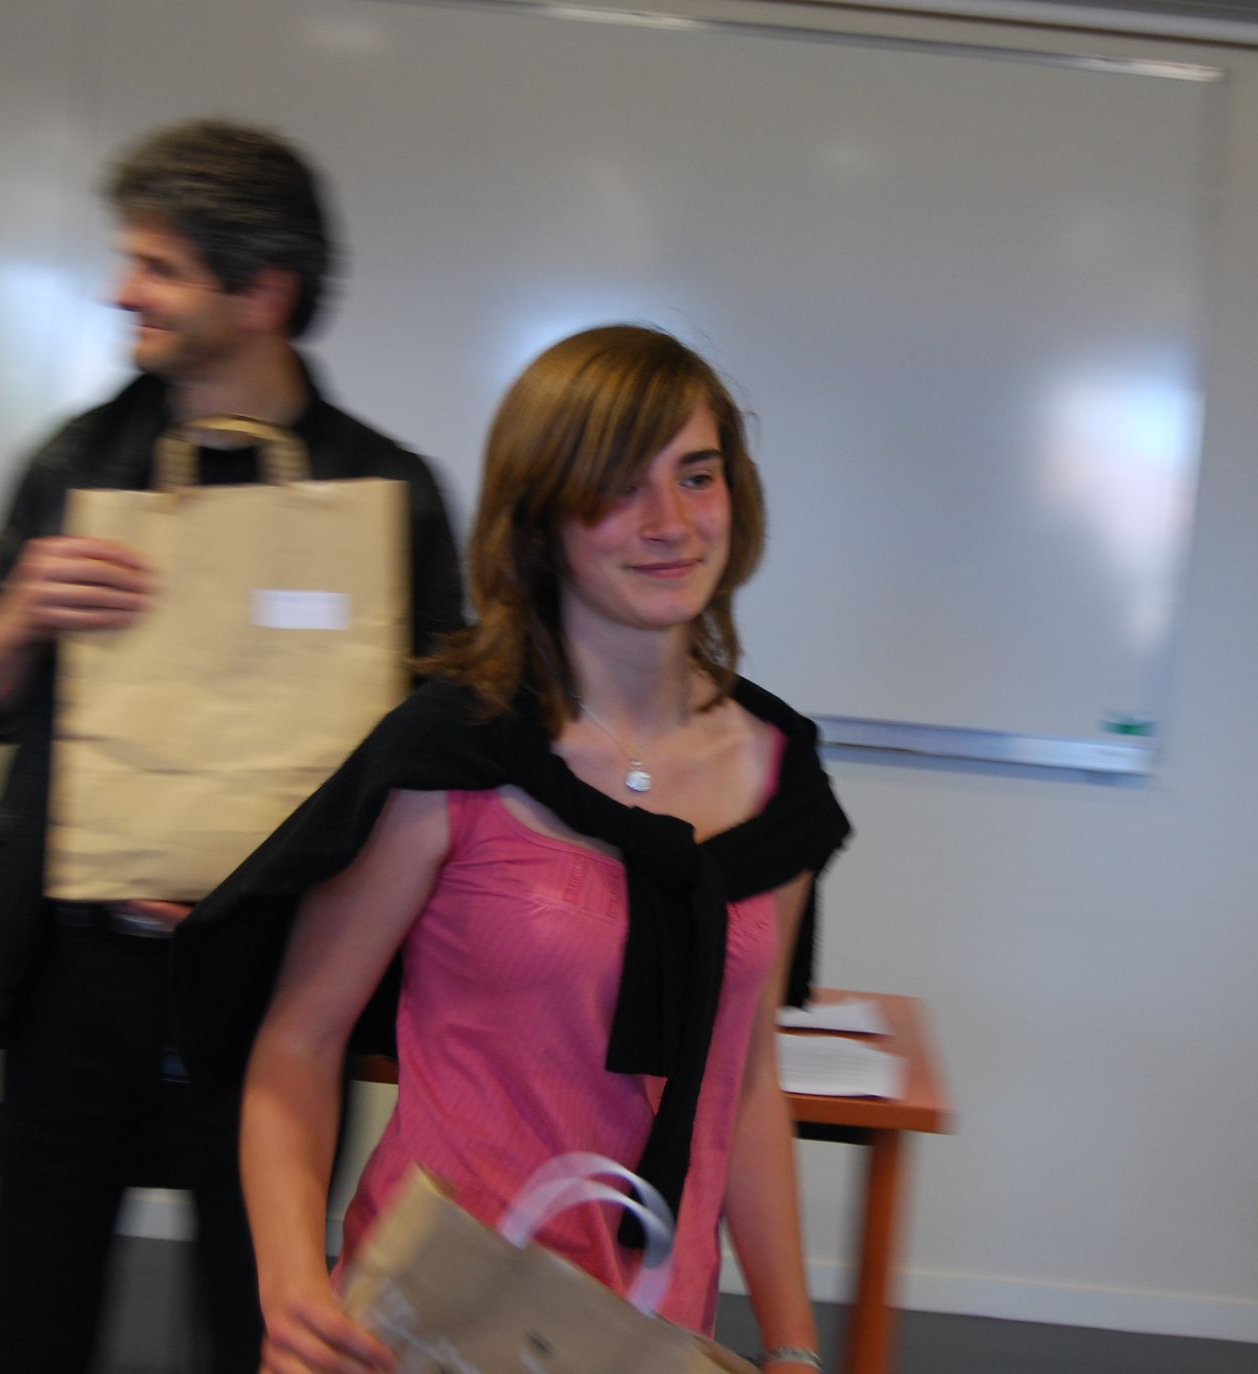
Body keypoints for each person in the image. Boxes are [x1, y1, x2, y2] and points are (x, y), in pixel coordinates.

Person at [171, 325, 851, 1374]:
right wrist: (291, 1283)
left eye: (696, 475)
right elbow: (296, 1043)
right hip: (434, 1321)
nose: (670, 523)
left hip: (651, 1333)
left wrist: (796, 1347)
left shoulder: (775, 779)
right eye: (616, 487)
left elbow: (747, 1079)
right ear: (540, 518)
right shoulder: (456, 750)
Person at [0, 119, 465, 1374]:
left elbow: (444, 745)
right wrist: (19, 613)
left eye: (159, 267)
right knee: (34, 1321)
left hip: (278, 991)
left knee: (265, 1322)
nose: (124, 291)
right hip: (77, 970)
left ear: (262, 292)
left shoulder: (383, 492)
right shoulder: (77, 463)